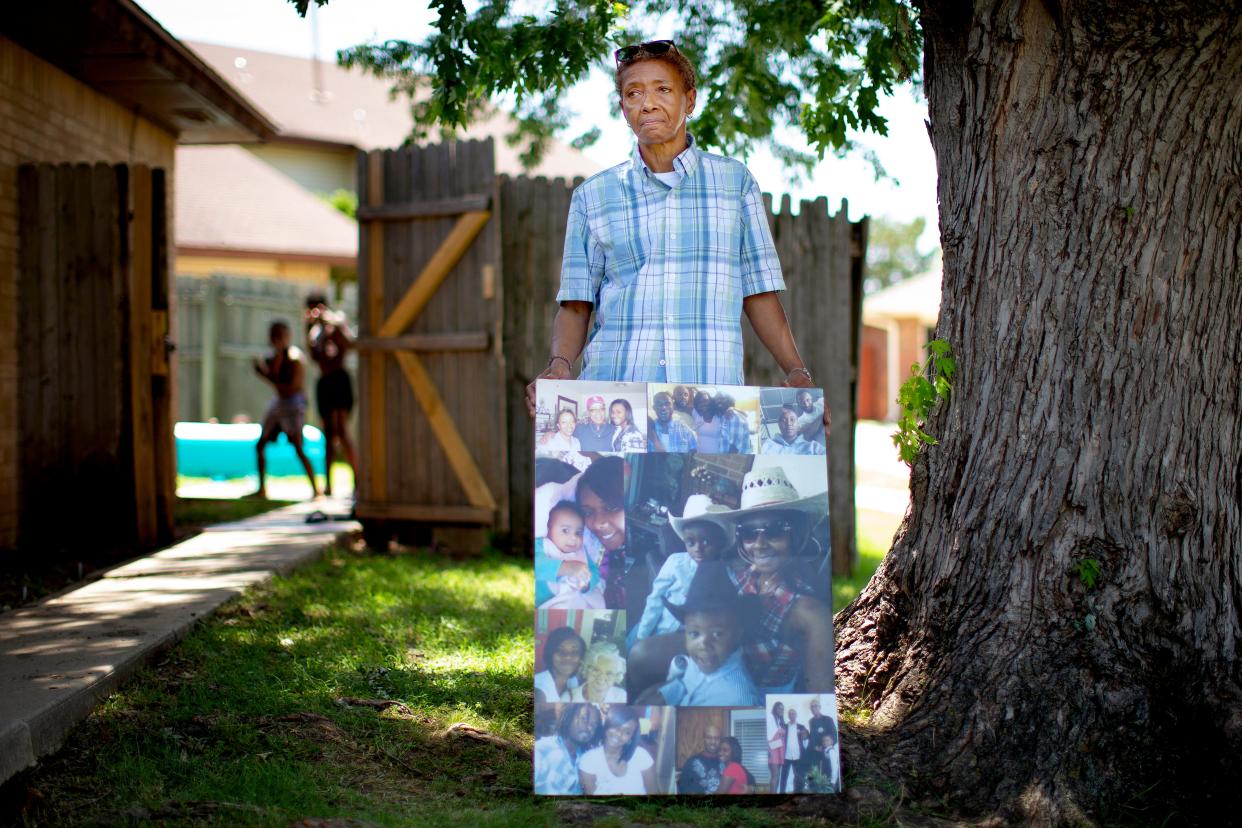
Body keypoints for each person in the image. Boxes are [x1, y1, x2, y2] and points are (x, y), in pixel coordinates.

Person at [525, 40, 830, 438]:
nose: (647, 103)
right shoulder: (593, 196)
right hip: (618, 401)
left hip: (709, 408)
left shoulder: (734, 184)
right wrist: (560, 364)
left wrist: (797, 371)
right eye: (633, 93)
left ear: (690, 100)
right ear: (623, 108)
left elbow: (759, 292)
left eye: (662, 90)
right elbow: (577, 305)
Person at [645, 560, 761, 706]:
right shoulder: (700, 659)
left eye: (717, 634)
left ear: (737, 634)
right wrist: (667, 695)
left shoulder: (738, 700)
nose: (704, 645)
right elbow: (686, 684)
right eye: (694, 634)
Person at [633, 495, 731, 640]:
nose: (698, 548)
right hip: (660, 627)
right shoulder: (675, 562)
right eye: (690, 542)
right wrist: (642, 636)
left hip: (690, 640)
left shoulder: (725, 573)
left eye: (705, 541)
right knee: (633, 648)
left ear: (719, 543)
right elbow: (655, 600)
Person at [250, 321, 318, 499]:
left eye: (279, 336)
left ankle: (316, 489)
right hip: (279, 403)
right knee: (260, 444)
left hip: (293, 404)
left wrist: (265, 375)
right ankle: (262, 489)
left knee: (298, 446)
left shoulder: (295, 359)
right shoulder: (272, 358)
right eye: (273, 335)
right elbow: (277, 384)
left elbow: (289, 388)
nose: (275, 340)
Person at [304, 293, 357, 497]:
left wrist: (329, 321)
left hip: (340, 380)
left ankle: (357, 480)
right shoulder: (314, 330)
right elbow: (314, 356)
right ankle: (328, 484)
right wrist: (308, 327)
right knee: (327, 434)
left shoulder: (336, 320)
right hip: (324, 382)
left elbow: (348, 343)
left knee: (342, 431)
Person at [576, 457, 633, 608]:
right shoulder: (594, 555)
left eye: (611, 507)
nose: (597, 523)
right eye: (588, 512)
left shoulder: (639, 561)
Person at [578, 706, 657, 794]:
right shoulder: (588, 760)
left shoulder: (642, 756)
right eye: (616, 726)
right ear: (607, 726)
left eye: (627, 732)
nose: (619, 734)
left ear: (631, 738)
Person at [534, 703, 602, 794]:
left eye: (594, 725)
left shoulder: (584, 758)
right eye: (584, 719)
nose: (589, 727)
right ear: (569, 717)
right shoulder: (541, 750)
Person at [534, 627, 586, 704]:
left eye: (574, 652)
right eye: (559, 650)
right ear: (550, 654)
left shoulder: (574, 681)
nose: (567, 657)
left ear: (581, 657)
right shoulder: (538, 687)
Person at [762, 405, 827, 455]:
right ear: (779, 424)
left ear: (798, 424)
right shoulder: (766, 444)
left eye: (792, 420)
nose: (788, 424)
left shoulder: (813, 447)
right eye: (783, 420)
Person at [676, 724, 723, 794]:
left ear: (720, 740)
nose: (713, 742)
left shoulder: (726, 762)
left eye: (716, 738)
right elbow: (683, 789)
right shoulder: (691, 763)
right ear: (704, 739)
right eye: (709, 738)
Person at [782, 708, 809, 793]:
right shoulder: (784, 727)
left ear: (796, 715)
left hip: (798, 756)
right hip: (786, 756)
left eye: (793, 713)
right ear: (788, 716)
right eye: (790, 714)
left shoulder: (801, 727)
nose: (792, 715)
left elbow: (807, 739)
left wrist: (804, 737)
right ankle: (782, 792)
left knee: (799, 776)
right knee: (784, 776)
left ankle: (798, 792)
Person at [767, 701, 787, 793]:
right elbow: (769, 737)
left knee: (777, 776)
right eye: (779, 708)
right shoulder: (771, 718)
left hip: (779, 750)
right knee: (775, 776)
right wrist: (770, 751)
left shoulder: (780, 721)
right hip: (773, 750)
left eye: (782, 709)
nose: (781, 710)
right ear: (775, 708)